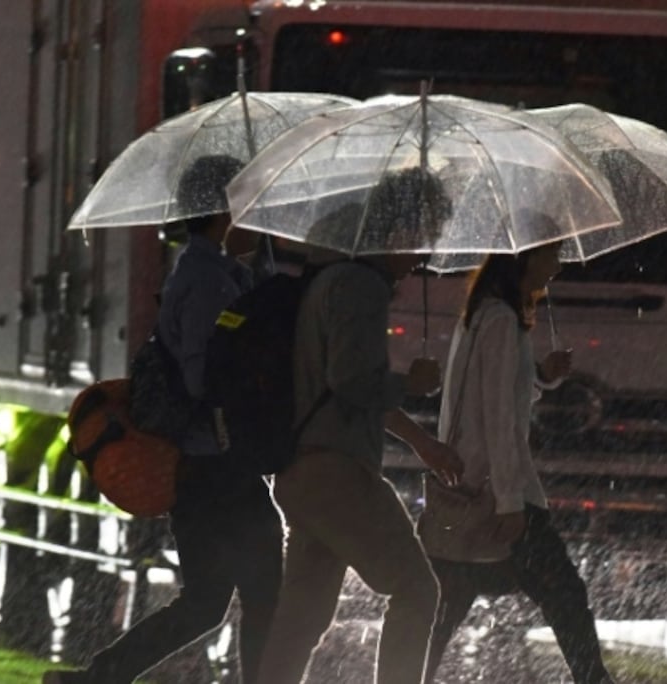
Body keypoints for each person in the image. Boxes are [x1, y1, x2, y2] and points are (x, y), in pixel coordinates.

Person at [44, 155, 284, 684]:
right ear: (224, 209)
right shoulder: (205, 281)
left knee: (208, 603)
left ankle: (94, 680)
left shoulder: (221, 272)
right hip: (213, 465)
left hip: (210, 466)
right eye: (249, 201)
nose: (257, 212)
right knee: (263, 594)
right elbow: (205, 377)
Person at [253, 168, 465, 684]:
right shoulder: (360, 286)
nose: (426, 254)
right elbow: (352, 383)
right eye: (426, 235)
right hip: (338, 473)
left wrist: (421, 444)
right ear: (399, 227)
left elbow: (343, 385)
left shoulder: (328, 277)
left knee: (302, 619)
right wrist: (409, 384)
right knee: (417, 590)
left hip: (305, 470)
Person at [423, 240, 616, 684]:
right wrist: (510, 500)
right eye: (552, 254)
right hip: (494, 488)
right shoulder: (502, 321)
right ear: (525, 258)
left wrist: (542, 376)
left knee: (444, 607)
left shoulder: (487, 316)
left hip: (471, 484)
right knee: (564, 594)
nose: (558, 265)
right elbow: (499, 417)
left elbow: (498, 394)